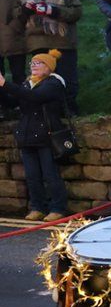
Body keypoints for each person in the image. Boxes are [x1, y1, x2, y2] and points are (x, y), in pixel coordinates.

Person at [0, 50, 68, 222]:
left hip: (47, 136)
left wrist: (5, 84)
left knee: (50, 174)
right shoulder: (27, 84)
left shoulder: (53, 83)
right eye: (32, 63)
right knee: (32, 176)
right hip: (27, 136)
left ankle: (58, 208)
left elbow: (36, 97)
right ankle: (37, 207)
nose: (33, 66)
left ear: (49, 67)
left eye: (39, 63)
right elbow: (12, 101)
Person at [20, 0, 82, 116]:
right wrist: (26, 11)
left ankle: (69, 109)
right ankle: (47, 110)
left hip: (62, 41)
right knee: (41, 78)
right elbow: (17, 17)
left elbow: (76, 12)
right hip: (37, 42)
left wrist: (53, 11)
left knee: (67, 77)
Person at [0, 0, 26, 89]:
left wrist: (16, 24)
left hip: (14, 35)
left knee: (19, 76)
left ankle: (24, 107)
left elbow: (24, 5)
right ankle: (3, 106)